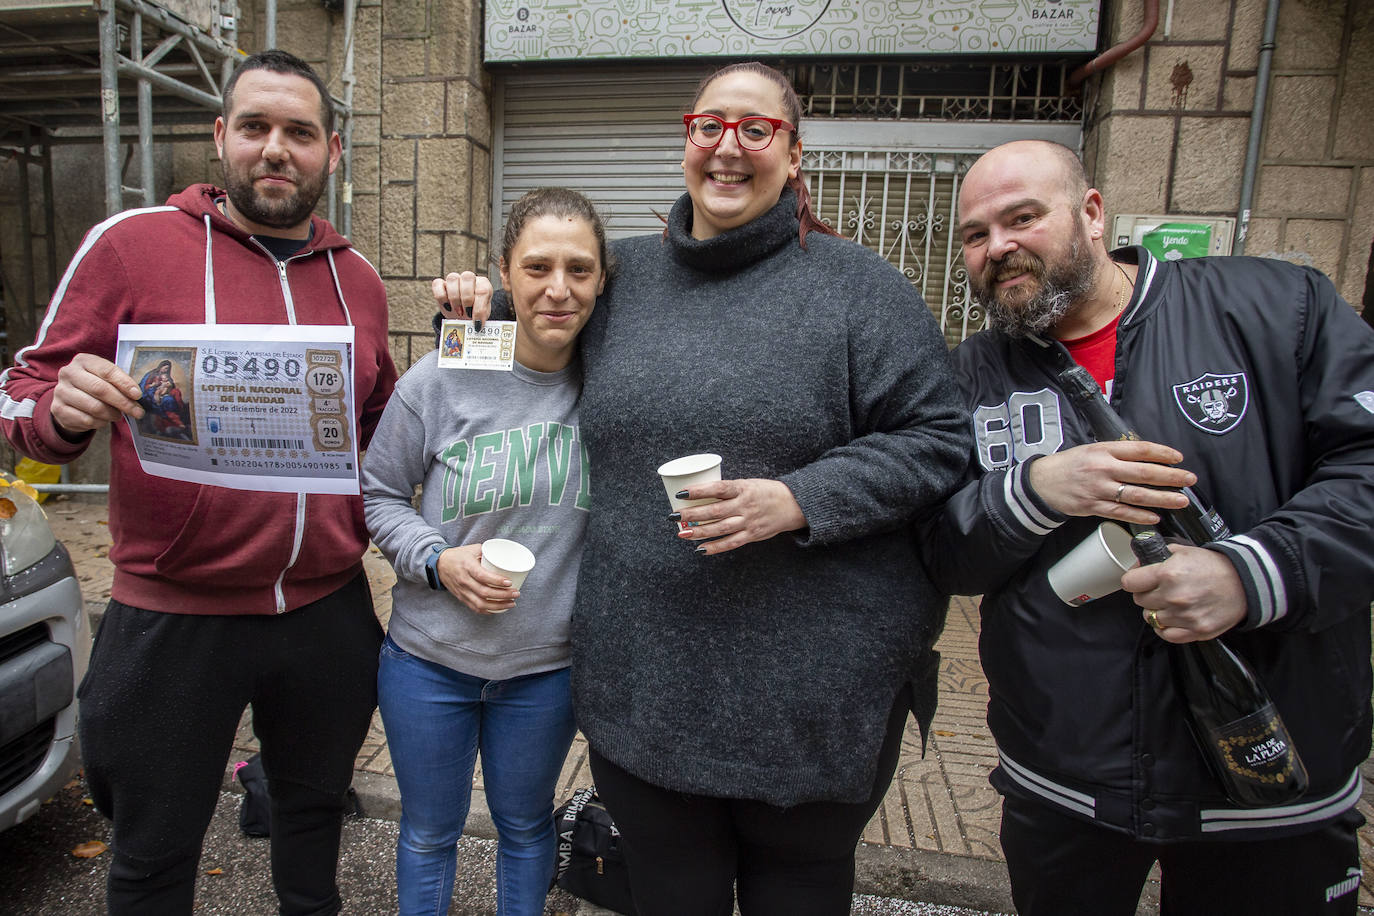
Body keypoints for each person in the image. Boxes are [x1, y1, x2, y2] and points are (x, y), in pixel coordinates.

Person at [438, 61, 970, 914]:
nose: (730, 148)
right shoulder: (625, 279)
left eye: (756, 129)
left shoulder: (860, 291)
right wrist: (471, 307)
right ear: (686, 140)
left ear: (794, 153)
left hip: (809, 702)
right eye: (709, 126)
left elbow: (943, 440)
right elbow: (527, 328)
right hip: (646, 690)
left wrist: (799, 498)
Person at [919, 139, 1374, 915]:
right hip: (1063, 774)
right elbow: (938, 549)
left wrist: (1252, 574)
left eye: (1023, 217)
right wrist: (1033, 491)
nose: (999, 247)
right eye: (975, 234)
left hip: (1266, 765)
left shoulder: (1273, 309)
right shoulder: (969, 377)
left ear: (1092, 214)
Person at [0, 50, 397, 915]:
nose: (276, 150)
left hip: (327, 611)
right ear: (222, 138)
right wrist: (61, 412)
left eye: (300, 132)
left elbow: (378, 430)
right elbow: (21, 392)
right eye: (256, 127)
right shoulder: (131, 246)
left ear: (332, 149)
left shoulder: (358, 281)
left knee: (312, 825)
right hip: (175, 614)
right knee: (150, 855)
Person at [362, 187, 606, 916]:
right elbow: (378, 495)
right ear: (504, 270)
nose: (557, 289)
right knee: (430, 831)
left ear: (602, 280)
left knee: (527, 826)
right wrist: (437, 560)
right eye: (536, 267)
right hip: (428, 660)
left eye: (580, 269)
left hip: (545, 671)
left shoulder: (614, 384)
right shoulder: (445, 373)